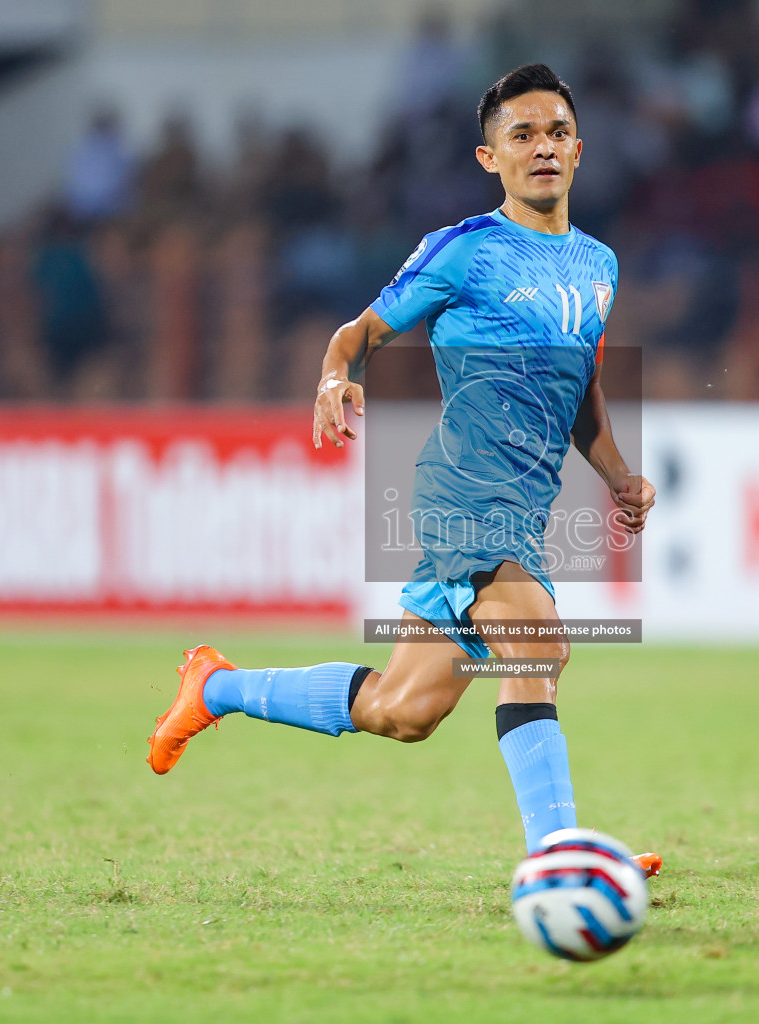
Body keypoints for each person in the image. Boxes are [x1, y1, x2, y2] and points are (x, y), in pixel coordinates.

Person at [146, 65, 662, 871]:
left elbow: (582, 388)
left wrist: (618, 475)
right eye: (522, 135)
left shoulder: (600, 265)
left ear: (580, 149)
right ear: (490, 158)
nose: (543, 148)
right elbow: (356, 335)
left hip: (521, 507)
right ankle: (559, 854)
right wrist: (331, 377)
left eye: (557, 132)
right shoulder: (463, 252)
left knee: (402, 709)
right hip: (464, 494)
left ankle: (214, 687)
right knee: (539, 646)